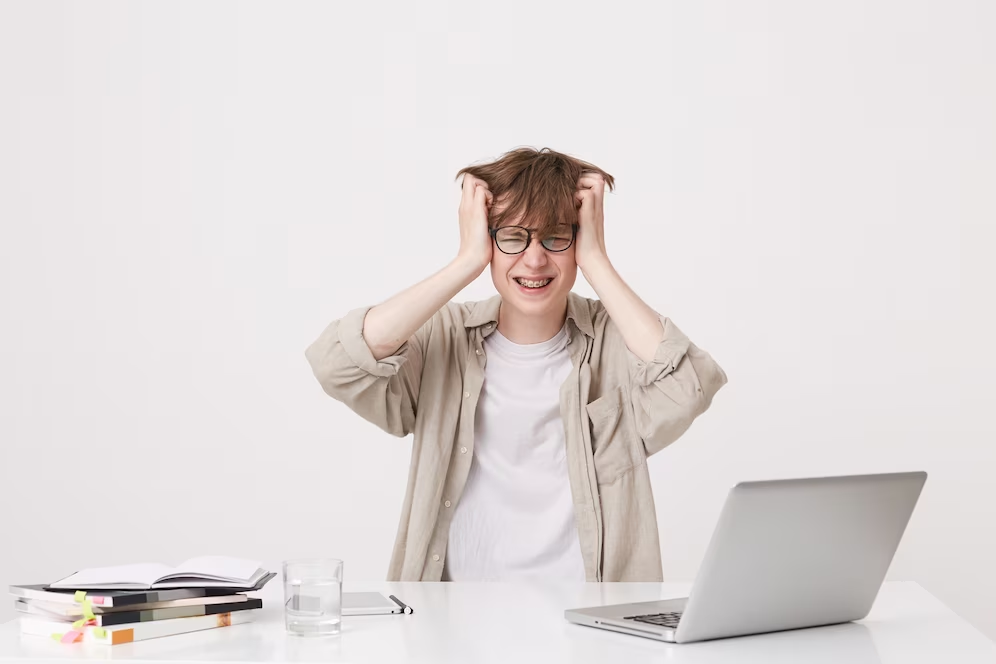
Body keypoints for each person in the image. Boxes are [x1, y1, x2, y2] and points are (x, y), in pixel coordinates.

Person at [305, 146, 728, 582]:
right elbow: (336, 362)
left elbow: (690, 385)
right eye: (512, 236)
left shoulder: (615, 340)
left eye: (555, 236)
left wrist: (596, 260)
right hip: (454, 626)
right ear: (487, 238)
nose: (534, 259)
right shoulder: (445, 335)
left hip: (586, 628)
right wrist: (466, 261)